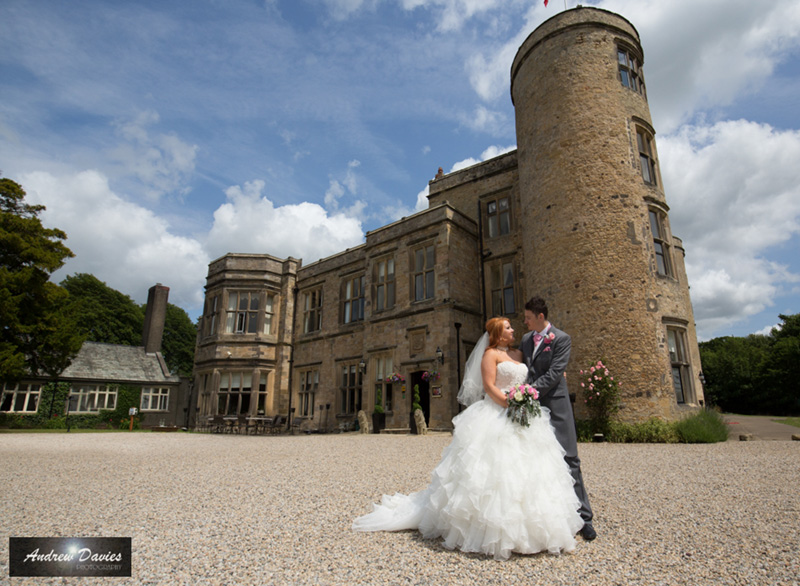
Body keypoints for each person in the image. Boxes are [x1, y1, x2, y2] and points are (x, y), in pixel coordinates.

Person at [352, 317, 583, 560]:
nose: (514, 329)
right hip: (499, 411)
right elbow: (489, 386)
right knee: (494, 473)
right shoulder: (489, 354)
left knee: (532, 470)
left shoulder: (519, 352)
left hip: (524, 414)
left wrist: (530, 394)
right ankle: (491, 530)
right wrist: (509, 403)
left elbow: (530, 376)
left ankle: (537, 529)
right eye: (508, 327)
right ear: (497, 333)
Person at [521, 297, 596, 541]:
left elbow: (555, 373)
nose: (525, 321)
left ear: (540, 317)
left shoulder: (561, 339)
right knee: (536, 462)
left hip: (556, 406)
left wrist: (529, 391)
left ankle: (585, 519)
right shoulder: (525, 340)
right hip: (531, 409)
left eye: (528, 317)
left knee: (570, 459)